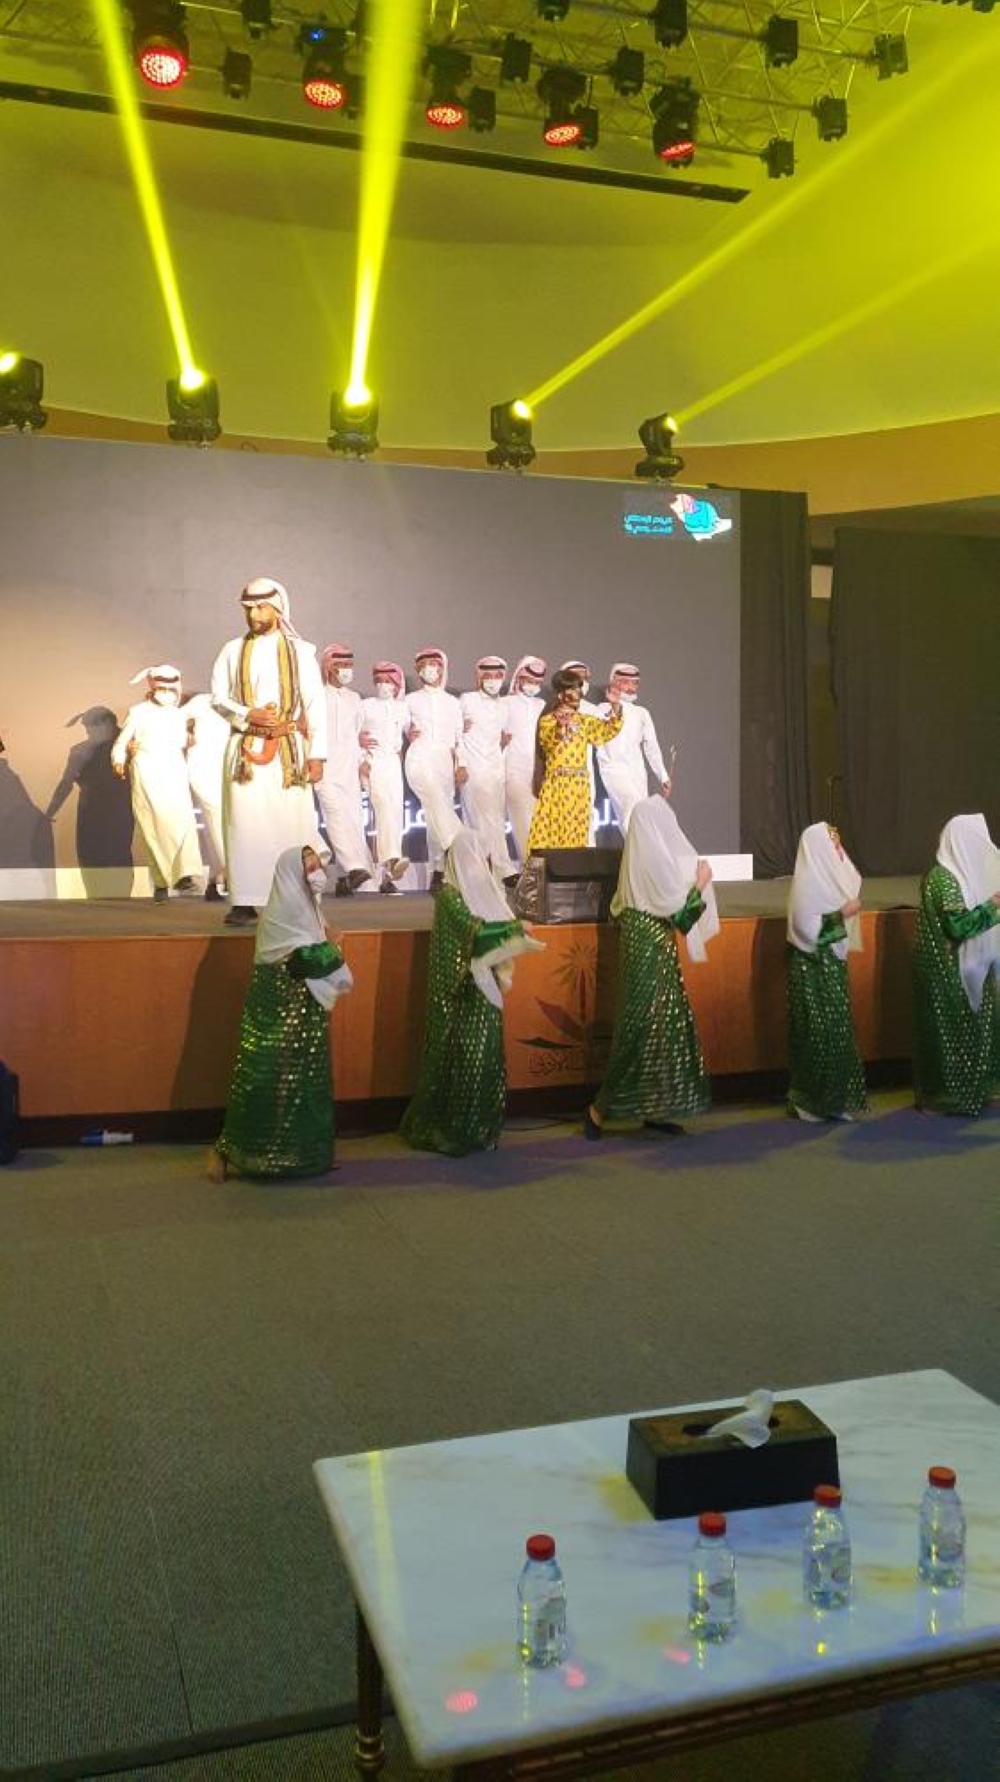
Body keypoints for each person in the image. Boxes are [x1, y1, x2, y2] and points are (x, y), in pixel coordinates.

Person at [208, 842, 353, 1180]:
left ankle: (306, 1155)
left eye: (319, 867)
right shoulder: (280, 914)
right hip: (273, 1019)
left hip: (305, 1016)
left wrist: (328, 944)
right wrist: (333, 947)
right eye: (310, 868)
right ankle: (229, 1152)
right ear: (292, 874)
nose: (318, 874)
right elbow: (302, 962)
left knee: (306, 1083)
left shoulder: (309, 909)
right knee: (262, 1081)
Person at [400, 831, 544, 1155]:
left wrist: (511, 929)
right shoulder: (450, 897)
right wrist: (514, 929)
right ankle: (452, 1130)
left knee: (485, 1054)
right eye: (480, 857)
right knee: (463, 1058)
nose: (485, 864)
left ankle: (480, 1126)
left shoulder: (478, 892)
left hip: (482, 986)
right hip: (458, 993)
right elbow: (475, 933)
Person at [586, 797, 716, 1140]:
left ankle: (655, 1109)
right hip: (649, 958)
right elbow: (682, 919)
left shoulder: (640, 862)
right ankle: (598, 1111)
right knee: (637, 1029)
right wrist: (700, 884)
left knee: (663, 1030)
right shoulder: (653, 866)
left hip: (657, 955)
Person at [210, 577, 327, 927]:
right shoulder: (231, 650)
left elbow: (316, 705)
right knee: (244, 826)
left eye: (261, 607)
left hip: (288, 752)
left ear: (278, 608)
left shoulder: (301, 652)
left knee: (292, 825)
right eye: (248, 608)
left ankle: (294, 898)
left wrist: (317, 754)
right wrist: (249, 713)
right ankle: (244, 901)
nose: (254, 615)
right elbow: (218, 698)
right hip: (245, 750)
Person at [912, 813, 1000, 1117]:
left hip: (968, 968)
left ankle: (975, 1089)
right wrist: (993, 905)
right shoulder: (944, 878)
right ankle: (946, 1098)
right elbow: (959, 926)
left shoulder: (962, 875)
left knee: (975, 1028)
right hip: (945, 970)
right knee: (949, 1033)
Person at [786, 822, 867, 1123]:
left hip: (831, 968)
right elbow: (809, 932)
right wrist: (841, 914)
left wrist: (841, 855)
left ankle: (834, 1100)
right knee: (816, 1033)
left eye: (838, 844)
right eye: (831, 845)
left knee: (837, 1031)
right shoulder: (807, 884)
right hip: (812, 971)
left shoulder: (829, 880)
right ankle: (809, 1102)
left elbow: (853, 879)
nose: (837, 850)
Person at [111, 665, 202, 902]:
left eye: (171, 688)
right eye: (162, 688)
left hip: (175, 769)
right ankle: (160, 882)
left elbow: (184, 741)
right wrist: (119, 759)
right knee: (153, 826)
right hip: (147, 771)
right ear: (152, 687)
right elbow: (122, 741)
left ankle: (185, 875)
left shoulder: (179, 714)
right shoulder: (138, 712)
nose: (167, 693)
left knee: (183, 822)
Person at [527, 670, 623, 851]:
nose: (577, 693)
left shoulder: (584, 721)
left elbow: (607, 731)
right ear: (560, 694)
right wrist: (560, 727)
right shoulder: (548, 720)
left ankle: (571, 868)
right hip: (557, 786)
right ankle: (545, 868)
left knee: (576, 837)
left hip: (579, 787)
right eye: (572, 689)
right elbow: (548, 742)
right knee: (550, 835)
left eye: (578, 688)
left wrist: (615, 706)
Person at [315, 642, 375, 897]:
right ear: (328, 667)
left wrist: (362, 759)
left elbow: (357, 733)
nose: (346, 670)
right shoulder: (316, 695)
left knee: (352, 820)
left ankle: (342, 879)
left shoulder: (355, 699)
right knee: (335, 815)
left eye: (349, 664)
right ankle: (353, 867)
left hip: (349, 767)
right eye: (340, 665)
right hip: (324, 766)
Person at [404, 646, 465, 890]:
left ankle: (439, 871)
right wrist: (406, 732)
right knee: (436, 801)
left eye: (434, 664)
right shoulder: (409, 700)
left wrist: (461, 765)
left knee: (435, 814)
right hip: (419, 757)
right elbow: (397, 725)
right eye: (424, 665)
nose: (429, 669)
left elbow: (459, 737)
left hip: (445, 761)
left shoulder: (453, 702)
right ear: (418, 670)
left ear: (441, 668)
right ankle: (460, 842)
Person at [595, 662, 672, 837]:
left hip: (637, 771)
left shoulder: (642, 713)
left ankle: (637, 851)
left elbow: (651, 746)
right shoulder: (601, 710)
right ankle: (641, 851)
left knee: (640, 814)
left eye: (634, 683)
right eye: (625, 682)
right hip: (612, 769)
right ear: (614, 682)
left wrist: (663, 775)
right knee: (631, 806)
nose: (630, 687)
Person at [460, 654, 513, 881]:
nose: (492, 680)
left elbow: (503, 737)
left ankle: (482, 870)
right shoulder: (467, 700)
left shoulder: (504, 706)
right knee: (479, 819)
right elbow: (456, 734)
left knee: (495, 819)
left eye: (497, 676)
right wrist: (460, 764)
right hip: (472, 769)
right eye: (487, 675)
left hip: (495, 770)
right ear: (479, 677)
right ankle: (501, 868)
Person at [358, 661, 410, 893]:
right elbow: (354, 733)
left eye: (388, 681)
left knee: (395, 813)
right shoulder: (365, 706)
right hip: (373, 762)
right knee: (384, 810)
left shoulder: (403, 708)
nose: (383, 685)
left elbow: (413, 730)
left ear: (396, 683)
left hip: (393, 764)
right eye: (379, 680)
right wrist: (361, 758)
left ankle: (387, 875)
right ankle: (392, 858)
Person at [182, 691, 230, 901]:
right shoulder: (202, 702)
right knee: (216, 822)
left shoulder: (242, 702)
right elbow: (173, 721)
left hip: (230, 771)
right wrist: (185, 736)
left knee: (217, 826)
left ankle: (216, 878)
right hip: (204, 771)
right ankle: (230, 875)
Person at [505, 654, 546, 863]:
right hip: (513, 771)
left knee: (539, 824)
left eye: (537, 682)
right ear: (519, 678)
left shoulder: (542, 704)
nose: (533, 685)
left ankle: (536, 870)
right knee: (523, 822)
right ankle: (529, 868)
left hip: (538, 773)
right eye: (529, 680)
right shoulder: (506, 703)